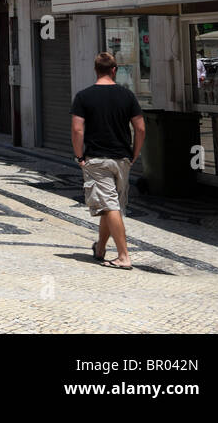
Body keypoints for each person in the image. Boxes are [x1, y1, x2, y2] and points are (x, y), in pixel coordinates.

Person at [72, 51, 145, 270]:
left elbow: (77, 130)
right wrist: (135, 153)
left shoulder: (84, 96)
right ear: (115, 70)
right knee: (110, 205)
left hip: (97, 159)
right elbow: (140, 128)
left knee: (110, 205)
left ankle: (124, 257)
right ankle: (100, 248)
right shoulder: (127, 95)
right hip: (122, 159)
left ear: (96, 70)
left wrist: (79, 157)